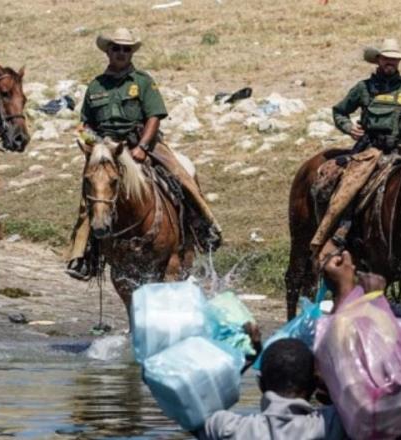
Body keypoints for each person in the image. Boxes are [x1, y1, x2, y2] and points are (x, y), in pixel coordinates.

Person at [66, 28, 222, 280]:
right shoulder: (95, 86)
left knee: (180, 174)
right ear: (108, 51)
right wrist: (91, 142)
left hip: (142, 143)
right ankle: (83, 256)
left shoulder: (142, 81)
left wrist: (142, 147)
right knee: (93, 194)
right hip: (108, 148)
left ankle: (206, 224)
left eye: (126, 49)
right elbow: (85, 123)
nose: (121, 53)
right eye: (116, 48)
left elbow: (154, 117)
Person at [311, 38, 401, 267]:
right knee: (350, 186)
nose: (391, 62)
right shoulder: (363, 88)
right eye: (386, 58)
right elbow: (339, 111)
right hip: (373, 152)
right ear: (378, 60)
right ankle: (338, 232)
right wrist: (349, 127)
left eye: (395, 59)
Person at [197, 338, 347, 440]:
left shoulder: (231, 429)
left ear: (261, 384)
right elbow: (362, 399)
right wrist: (332, 389)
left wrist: (245, 362)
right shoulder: (333, 425)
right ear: (315, 384)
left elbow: (195, 410)